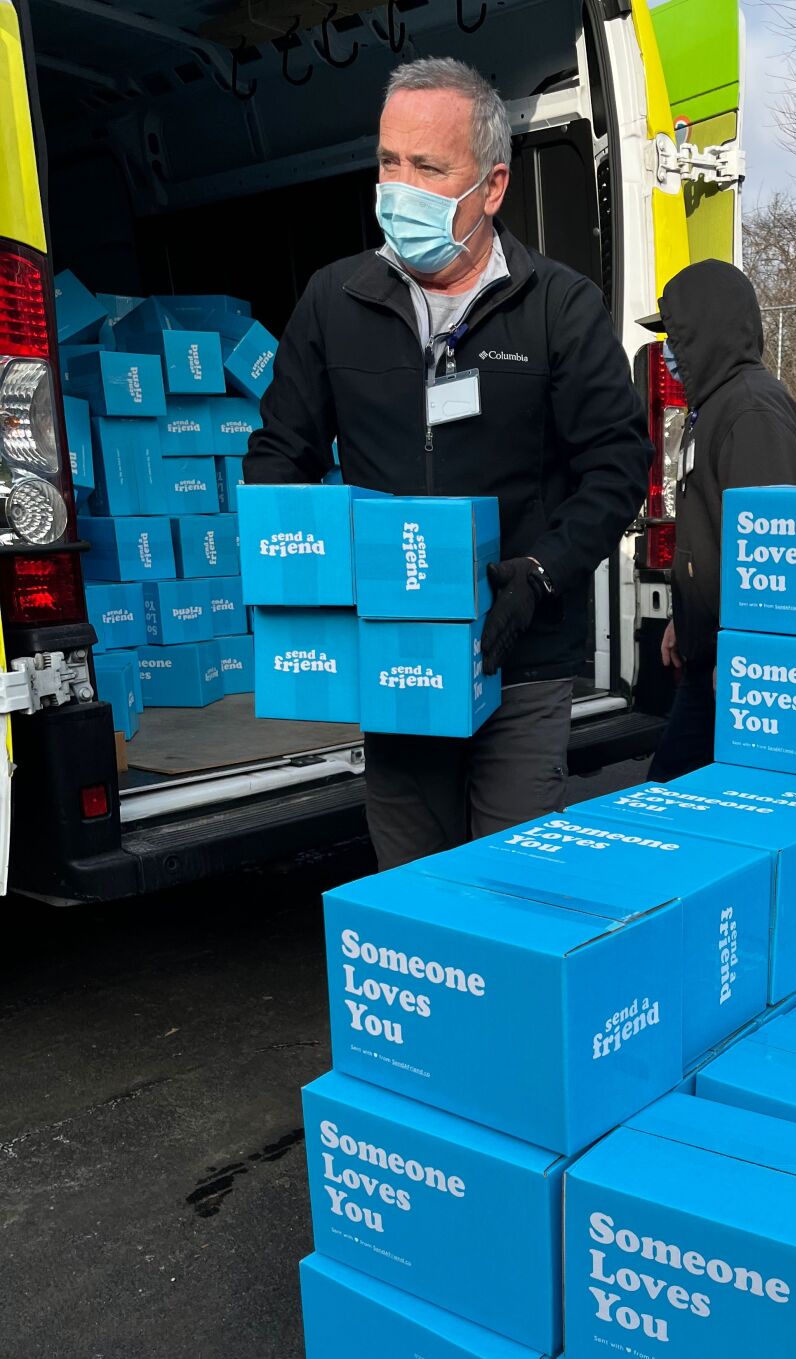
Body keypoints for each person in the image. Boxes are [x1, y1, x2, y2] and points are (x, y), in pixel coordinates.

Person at [245, 57, 651, 868]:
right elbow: (278, 455)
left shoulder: (558, 306)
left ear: (492, 187)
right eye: (388, 163)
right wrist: (312, 582)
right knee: (414, 887)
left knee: (510, 884)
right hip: (398, 662)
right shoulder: (335, 300)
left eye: (427, 168)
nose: (400, 187)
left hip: (522, 656)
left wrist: (539, 572)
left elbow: (616, 464)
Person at [640, 260, 796, 782]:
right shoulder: (713, 407)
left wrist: (743, 656)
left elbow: (771, 555)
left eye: (676, 335)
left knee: (668, 799)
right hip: (709, 653)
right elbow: (712, 537)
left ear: (707, 331)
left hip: (733, 665)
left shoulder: (751, 412)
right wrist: (684, 622)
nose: (667, 352)